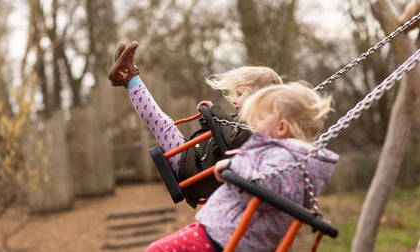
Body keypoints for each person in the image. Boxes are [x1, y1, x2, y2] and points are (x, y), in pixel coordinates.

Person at [145, 81, 340, 252]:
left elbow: (262, 188)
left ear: (281, 127)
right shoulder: (287, 157)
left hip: (227, 236)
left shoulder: (286, 158)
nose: (254, 123)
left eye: (261, 118)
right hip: (227, 233)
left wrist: (233, 166)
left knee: (158, 250)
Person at [108, 40, 283, 207]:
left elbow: (233, 139)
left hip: (190, 167)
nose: (234, 101)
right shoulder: (245, 124)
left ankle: (127, 76)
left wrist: (215, 112)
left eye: (239, 94)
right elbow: (220, 137)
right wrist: (209, 119)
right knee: (161, 123)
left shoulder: (257, 130)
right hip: (194, 162)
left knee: (161, 123)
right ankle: (125, 74)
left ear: (258, 98)